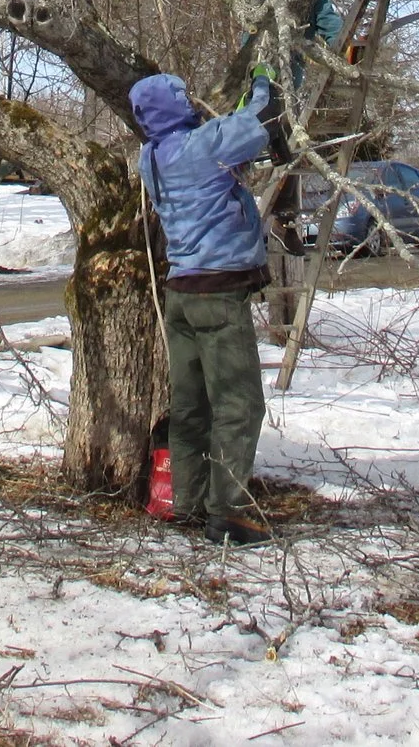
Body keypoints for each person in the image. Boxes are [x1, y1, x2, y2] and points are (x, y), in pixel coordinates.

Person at [133, 69, 277, 546]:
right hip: (218, 290)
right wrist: (261, 80)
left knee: (191, 405)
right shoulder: (203, 144)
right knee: (239, 402)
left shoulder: (149, 156)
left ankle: (187, 503)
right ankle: (230, 512)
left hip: (181, 292)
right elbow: (258, 121)